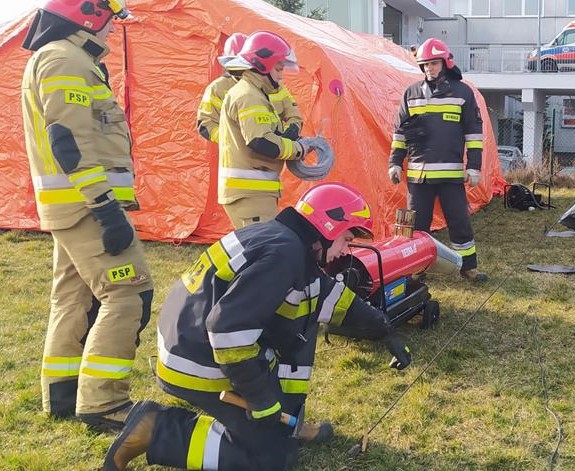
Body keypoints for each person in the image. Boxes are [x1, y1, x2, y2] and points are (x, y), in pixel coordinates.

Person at [103, 182, 412, 471]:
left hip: (191, 342)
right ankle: (157, 428)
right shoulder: (284, 254)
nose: (346, 251)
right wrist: (261, 398)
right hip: (199, 359)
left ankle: (288, 426)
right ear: (329, 227)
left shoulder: (287, 242)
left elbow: (330, 297)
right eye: (347, 239)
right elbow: (227, 331)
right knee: (270, 457)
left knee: (291, 345)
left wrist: (385, 330)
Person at [20, 0, 154, 431]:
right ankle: (104, 403)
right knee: (127, 294)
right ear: (90, 15)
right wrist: (104, 206)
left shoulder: (63, 57)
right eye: (113, 21)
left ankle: (62, 393)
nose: (115, 30)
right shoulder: (65, 59)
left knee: (73, 299)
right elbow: (69, 142)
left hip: (74, 205)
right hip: (87, 207)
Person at [388, 37, 488, 281]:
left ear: (445, 63)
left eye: (433, 63)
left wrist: (474, 168)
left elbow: (474, 135)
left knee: (459, 222)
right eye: (425, 64)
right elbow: (400, 133)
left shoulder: (463, 92)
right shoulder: (410, 93)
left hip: (451, 176)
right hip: (418, 176)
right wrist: (394, 162)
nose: (429, 69)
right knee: (416, 227)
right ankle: (414, 270)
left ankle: (468, 268)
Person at [217, 31, 308, 229]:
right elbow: (260, 141)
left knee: (262, 249)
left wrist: (287, 134)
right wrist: (297, 148)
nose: (281, 73)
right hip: (249, 194)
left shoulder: (255, 92)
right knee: (261, 252)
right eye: (278, 68)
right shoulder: (249, 95)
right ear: (262, 66)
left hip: (254, 194)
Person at [196, 32, 248, 144]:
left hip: (266, 157)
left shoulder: (265, 85)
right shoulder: (217, 88)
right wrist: (232, 140)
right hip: (236, 157)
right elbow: (205, 124)